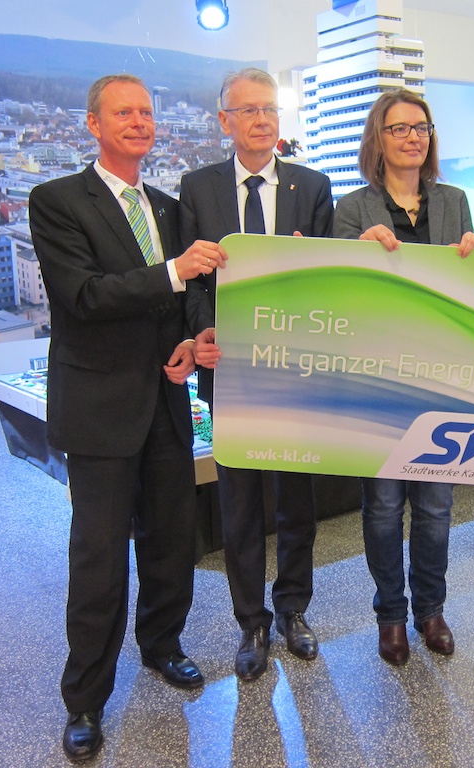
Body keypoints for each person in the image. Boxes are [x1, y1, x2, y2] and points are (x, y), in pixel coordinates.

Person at [30, 74, 217, 761]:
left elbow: (186, 297)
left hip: (166, 400)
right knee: (100, 558)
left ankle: (163, 645)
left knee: (171, 539)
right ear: (93, 124)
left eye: (146, 112)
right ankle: (84, 698)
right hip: (99, 408)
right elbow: (83, 295)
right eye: (123, 112)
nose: (139, 122)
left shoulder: (166, 207)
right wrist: (174, 272)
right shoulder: (57, 201)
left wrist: (192, 337)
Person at [179, 67, 333, 682]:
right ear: (225, 121)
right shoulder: (198, 188)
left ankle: (293, 608)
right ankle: (251, 621)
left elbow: (331, 280)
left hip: (295, 370)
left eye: (270, 109)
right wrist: (201, 333)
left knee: (296, 497)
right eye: (248, 111)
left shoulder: (312, 187)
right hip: (230, 370)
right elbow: (193, 282)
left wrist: (306, 266)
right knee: (239, 502)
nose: (263, 120)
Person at [333, 89, 474, 665]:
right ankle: (391, 616)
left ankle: (431, 610)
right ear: (379, 138)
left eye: (421, 127)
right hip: (378, 379)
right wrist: (355, 252)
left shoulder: (454, 201)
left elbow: (471, 289)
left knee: (437, 508)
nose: (413, 137)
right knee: (382, 508)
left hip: (443, 375)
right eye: (399, 128)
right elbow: (337, 287)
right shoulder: (353, 208)